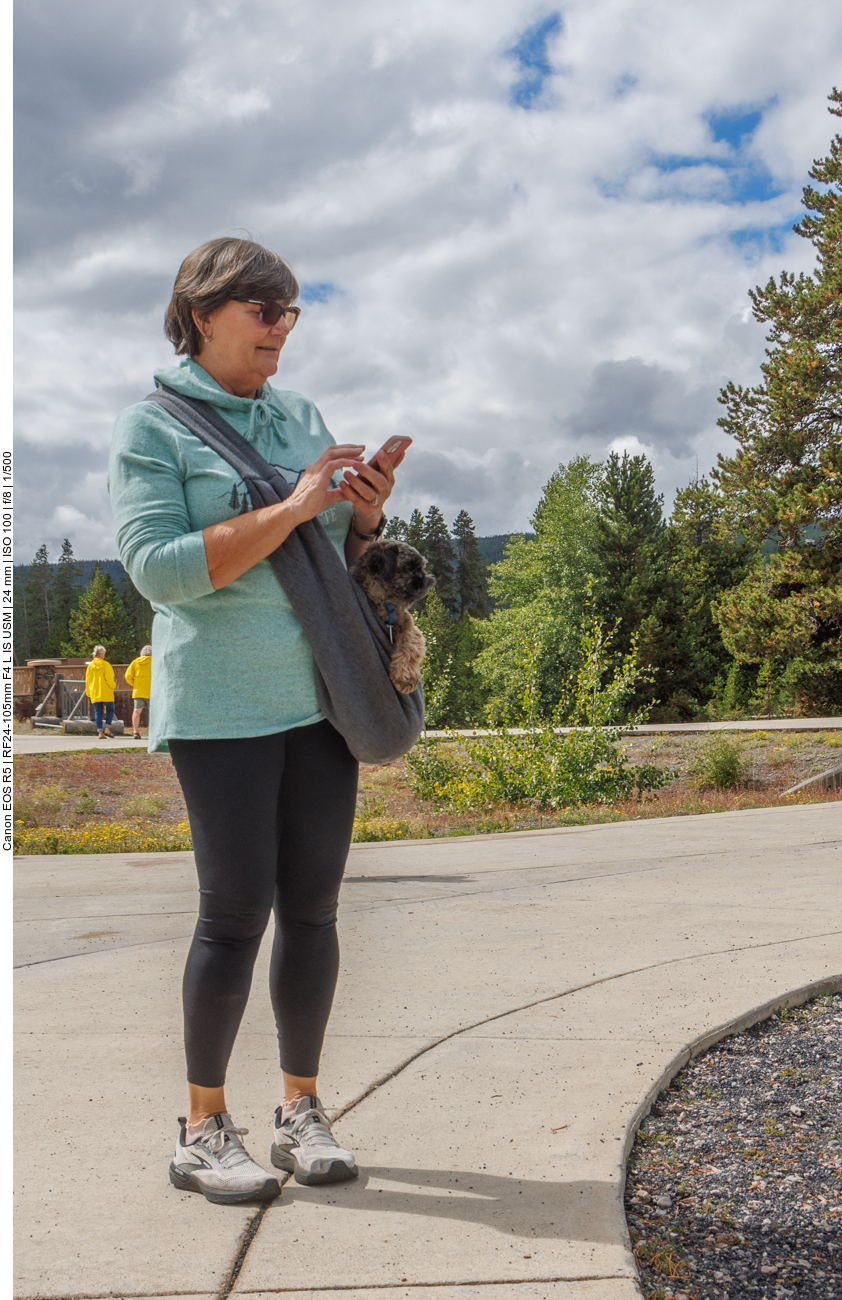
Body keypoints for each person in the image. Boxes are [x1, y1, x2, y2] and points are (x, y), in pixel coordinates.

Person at [107, 237, 402, 1206]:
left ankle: (299, 1110)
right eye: (264, 311)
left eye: (292, 313)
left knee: (312, 908)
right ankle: (200, 1126)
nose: (282, 329)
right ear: (201, 312)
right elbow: (159, 569)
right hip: (219, 707)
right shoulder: (153, 431)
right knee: (233, 912)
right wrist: (291, 505)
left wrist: (360, 517)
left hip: (316, 696)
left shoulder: (299, 417)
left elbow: (324, 550)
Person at [85, 645, 117, 739]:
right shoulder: (106, 665)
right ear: (102, 654)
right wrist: (113, 686)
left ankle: (100, 732)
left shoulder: (90, 666)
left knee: (98, 712)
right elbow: (109, 679)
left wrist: (89, 693)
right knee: (110, 710)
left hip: (95, 692)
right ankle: (107, 728)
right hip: (106, 692)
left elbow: (88, 680)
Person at [124, 645, 152, 739]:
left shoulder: (135, 662)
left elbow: (128, 676)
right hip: (152, 691)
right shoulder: (154, 661)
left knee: (136, 711)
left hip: (138, 691)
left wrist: (135, 684)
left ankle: (136, 732)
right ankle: (152, 731)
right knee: (153, 712)